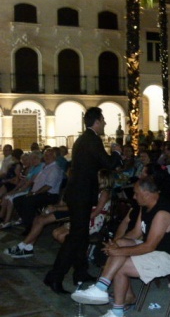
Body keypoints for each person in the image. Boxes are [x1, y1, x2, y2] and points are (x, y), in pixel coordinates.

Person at [71, 177, 170, 317]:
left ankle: (114, 307)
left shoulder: (162, 213)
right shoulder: (146, 206)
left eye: (136, 193)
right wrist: (116, 243)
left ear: (146, 193)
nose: (134, 196)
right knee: (119, 245)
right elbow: (135, 233)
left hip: (169, 256)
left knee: (121, 263)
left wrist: (118, 251)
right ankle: (102, 289)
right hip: (155, 249)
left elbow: (149, 246)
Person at [44, 107, 122, 294]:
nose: (104, 123)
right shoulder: (92, 139)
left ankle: (80, 272)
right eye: (103, 120)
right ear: (96, 121)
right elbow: (109, 164)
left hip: (78, 193)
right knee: (76, 237)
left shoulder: (83, 139)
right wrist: (117, 153)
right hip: (81, 195)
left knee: (82, 236)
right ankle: (54, 277)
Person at [52, 169, 114, 244]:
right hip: (85, 215)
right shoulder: (95, 189)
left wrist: (81, 219)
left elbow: (97, 212)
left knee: (62, 236)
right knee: (56, 233)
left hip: (93, 219)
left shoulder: (105, 193)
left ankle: (72, 252)